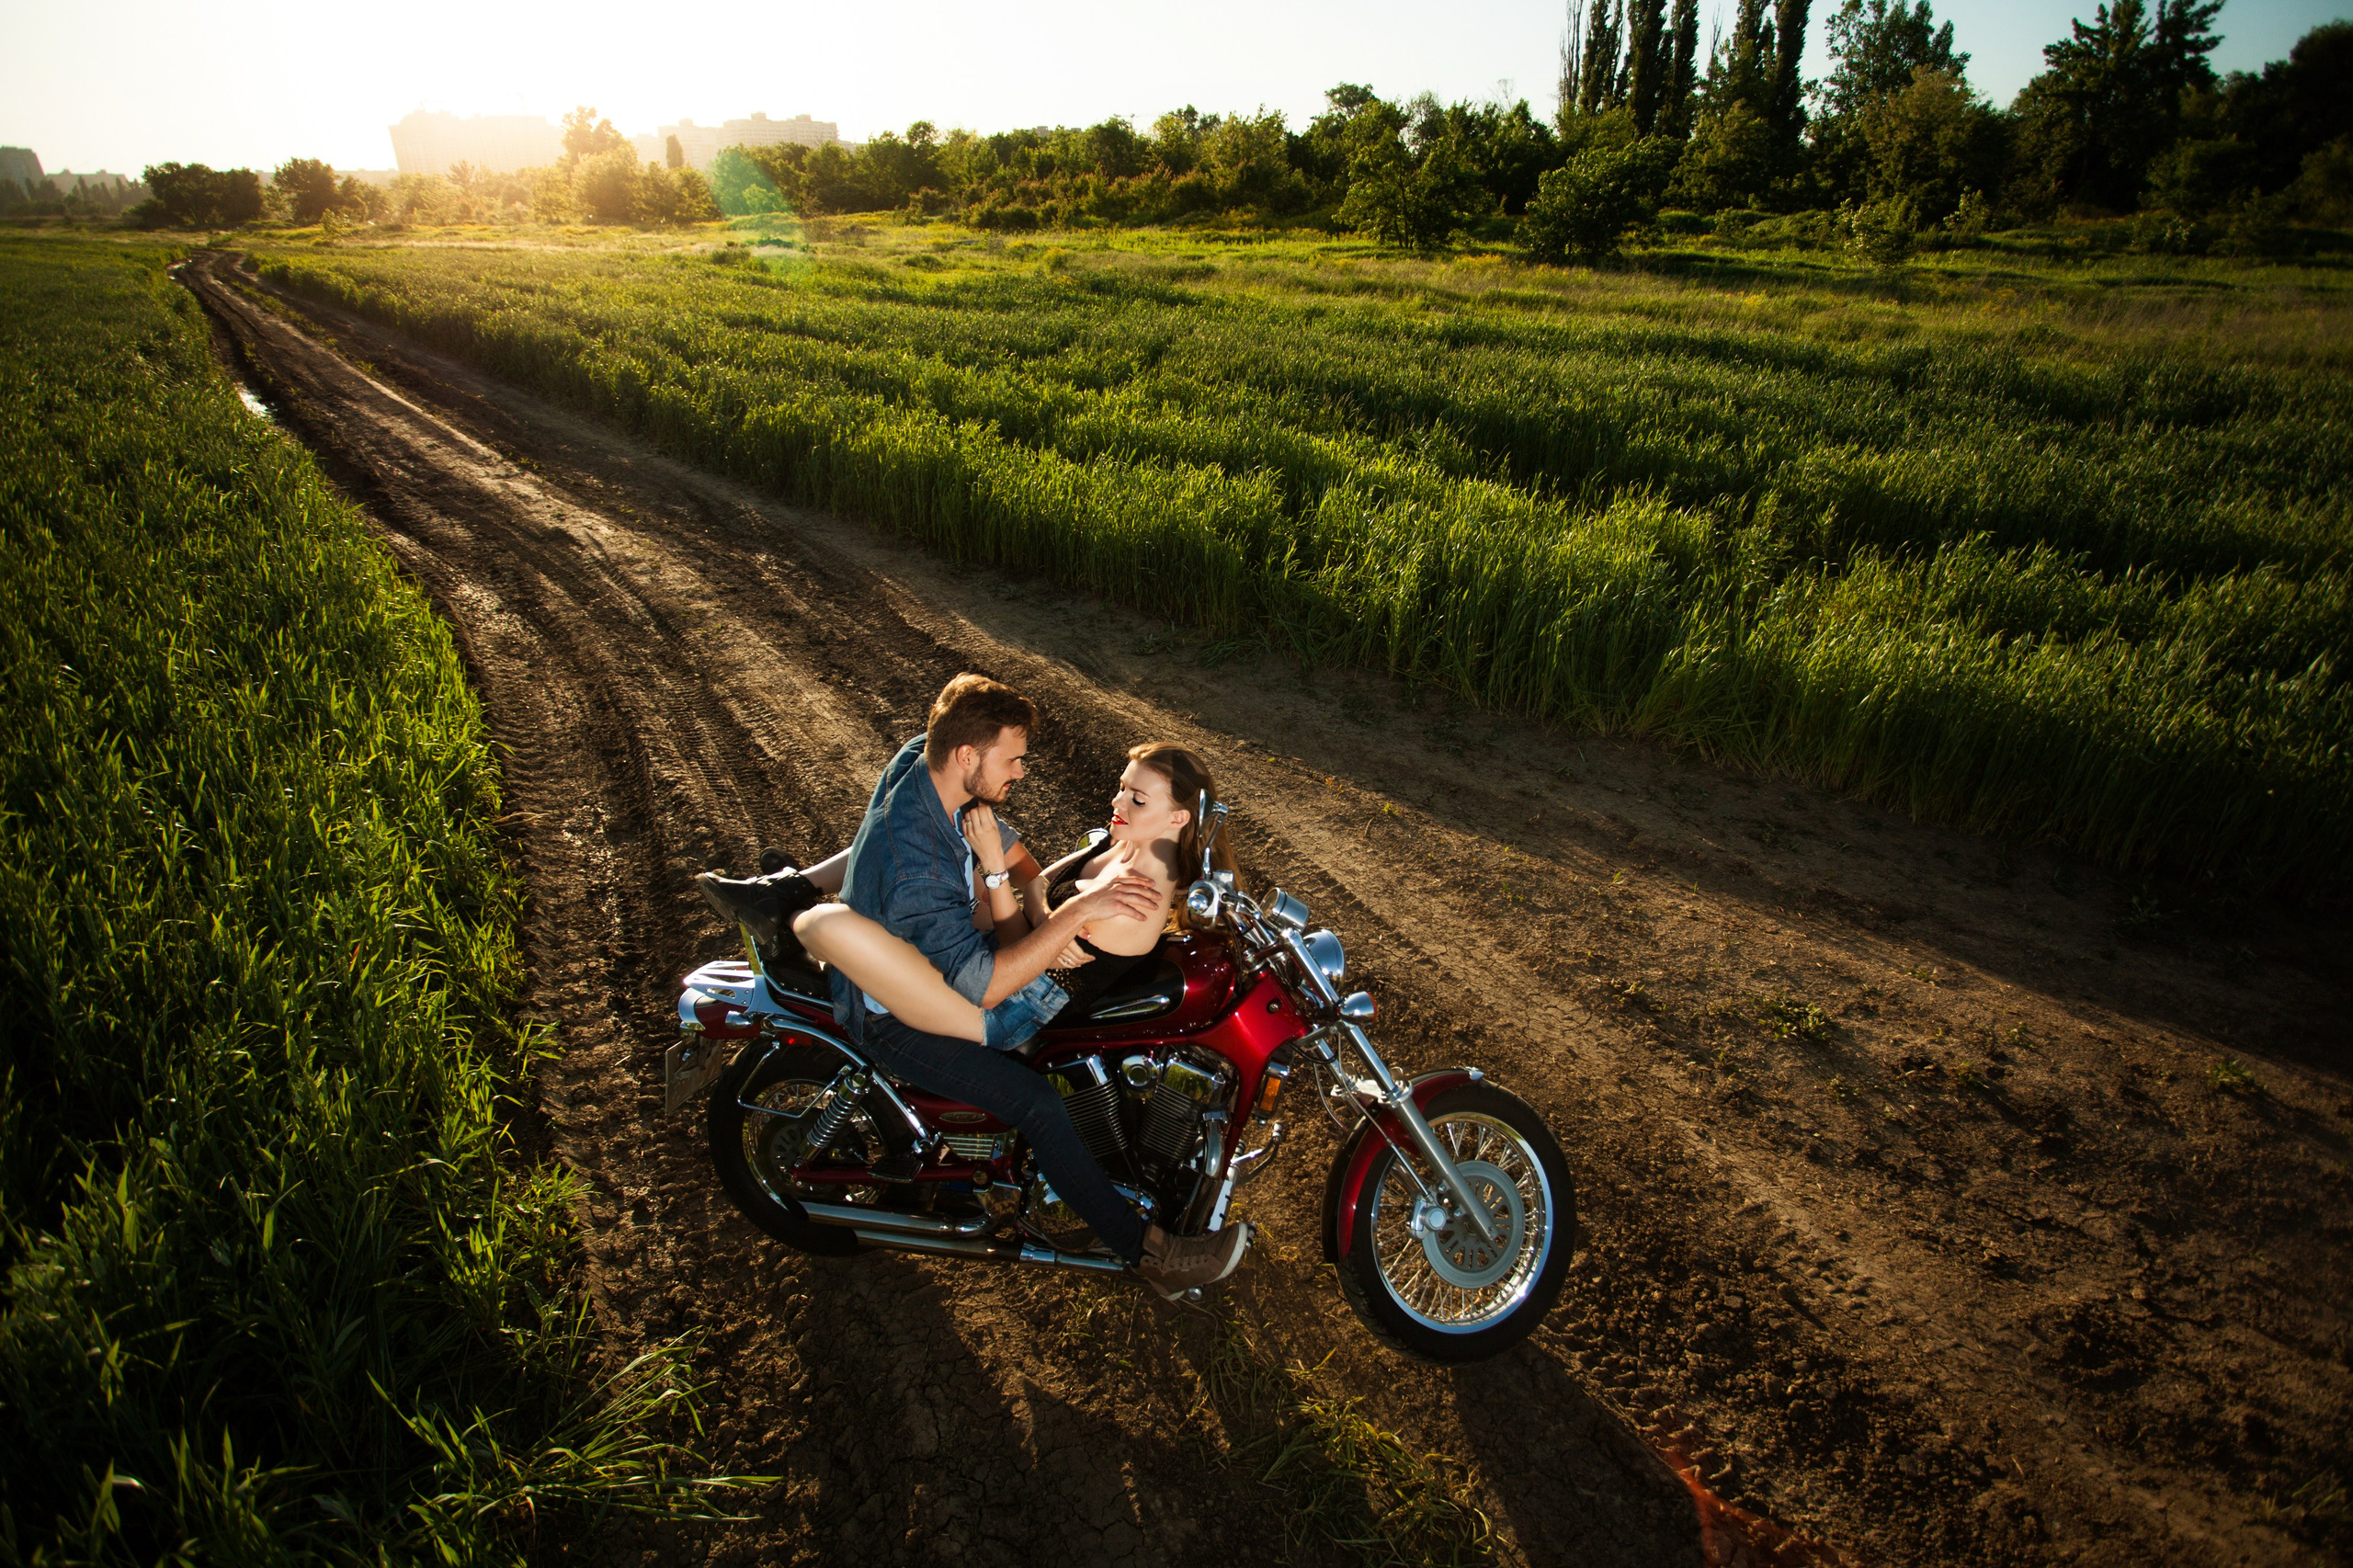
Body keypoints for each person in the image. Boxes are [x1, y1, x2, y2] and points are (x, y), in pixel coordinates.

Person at [780, 675, 1250, 1298]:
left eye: (1137, 798)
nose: (1025, 772)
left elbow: (1034, 906)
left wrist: (1028, 898)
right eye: (1014, 757)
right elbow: (1001, 969)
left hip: (973, 965)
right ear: (967, 754)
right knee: (1037, 1105)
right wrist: (1045, 905)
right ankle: (1149, 1255)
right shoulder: (1103, 861)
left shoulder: (1129, 894)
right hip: (941, 1007)